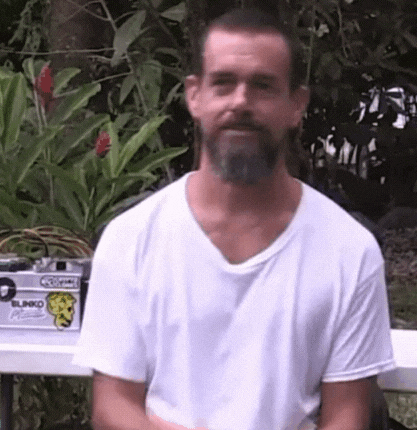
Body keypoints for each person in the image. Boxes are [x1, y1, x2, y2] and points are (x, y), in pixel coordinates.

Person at [73, 8, 395, 430]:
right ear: (195, 96)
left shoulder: (349, 251)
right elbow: (112, 407)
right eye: (223, 83)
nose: (241, 102)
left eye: (263, 86)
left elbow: (347, 416)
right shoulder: (130, 240)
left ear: (296, 105)